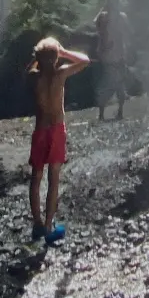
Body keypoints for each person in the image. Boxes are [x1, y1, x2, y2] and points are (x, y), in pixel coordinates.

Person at [26, 35, 89, 243]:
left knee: (36, 178)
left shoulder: (35, 77)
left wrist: (38, 57)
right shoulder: (61, 73)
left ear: (38, 58)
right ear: (55, 59)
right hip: (56, 130)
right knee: (54, 179)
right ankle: (49, 225)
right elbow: (85, 60)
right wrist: (63, 51)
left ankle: (37, 224)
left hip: (41, 130)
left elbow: (26, 71)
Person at [94, 2, 133, 121]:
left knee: (118, 83)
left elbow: (127, 33)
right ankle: (103, 113)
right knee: (110, 83)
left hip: (118, 56)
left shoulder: (121, 17)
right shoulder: (103, 17)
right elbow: (96, 25)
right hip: (107, 56)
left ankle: (118, 111)